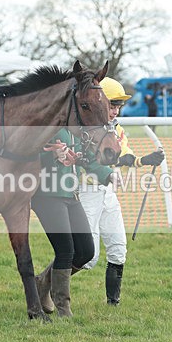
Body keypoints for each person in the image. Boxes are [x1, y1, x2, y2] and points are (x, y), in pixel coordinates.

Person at [79, 77, 165, 305]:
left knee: (118, 249)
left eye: (119, 106)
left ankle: (113, 304)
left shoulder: (117, 129)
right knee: (88, 257)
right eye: (112, 105)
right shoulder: (85, 130)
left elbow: (124, 156)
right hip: (86, 192)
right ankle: (46, 283)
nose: (115, 111)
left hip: (107, 193)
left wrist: (145, 159)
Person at [31, 127, 110, 317]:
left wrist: (107, 174)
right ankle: (63, 309)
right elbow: (22, 157)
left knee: (86, 252)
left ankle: (42, 282)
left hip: (72, 195)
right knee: (66, 251)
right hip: (47, 195)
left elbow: (88, 158)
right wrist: (50, 157)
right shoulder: (45, 124)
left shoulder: (76, 128)